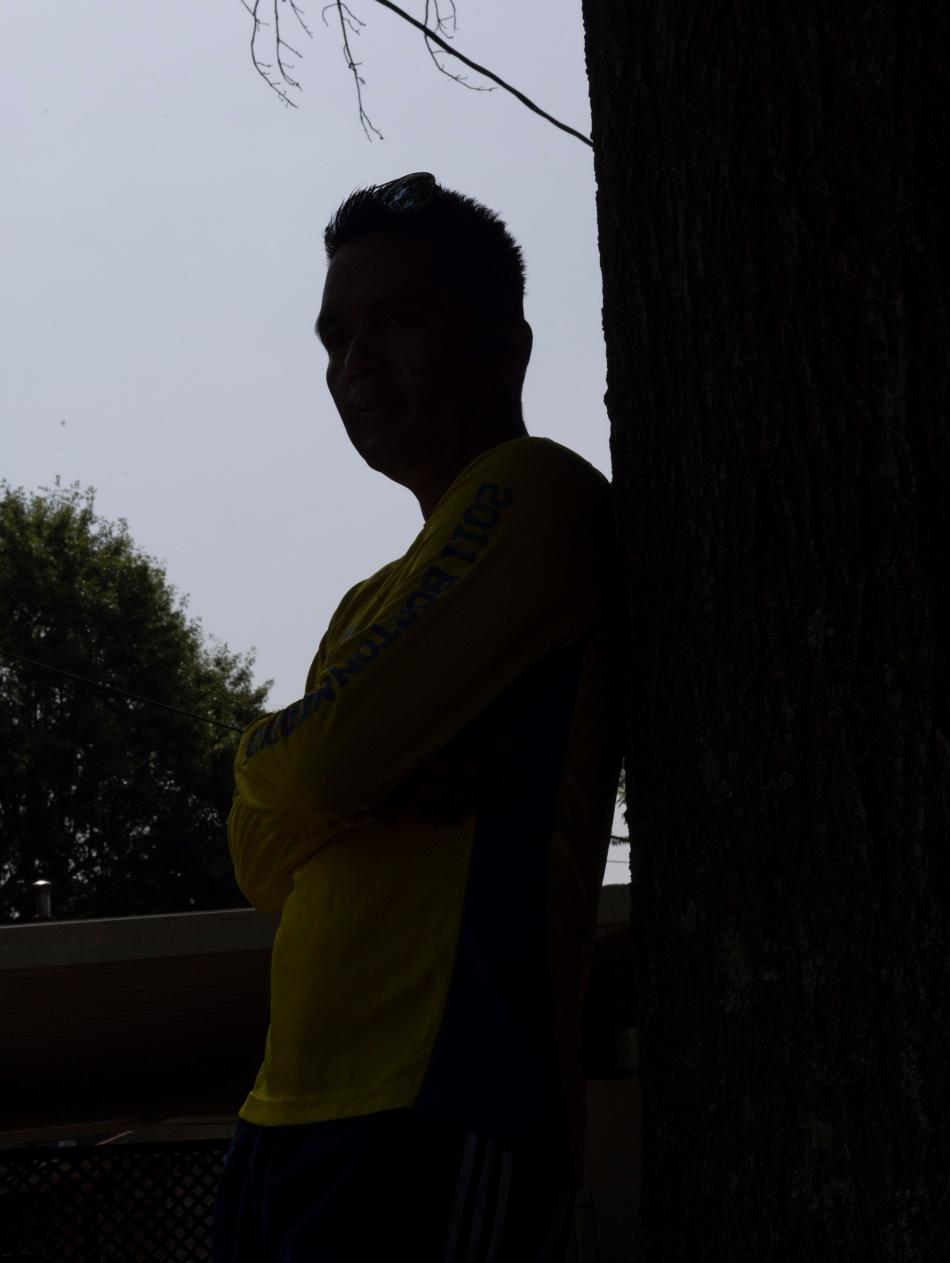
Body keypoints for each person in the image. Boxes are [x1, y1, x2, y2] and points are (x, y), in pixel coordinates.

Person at [213, 173, 623, 1261]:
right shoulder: (367, 602)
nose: (357, 364)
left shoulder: (539, 494)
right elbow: (259, 857)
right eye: (336, 336)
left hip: (442, 1105)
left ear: (508, 346)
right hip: (279, 1112)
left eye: (399, 320)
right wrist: (328, 780)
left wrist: (308, 770)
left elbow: (315, 776)